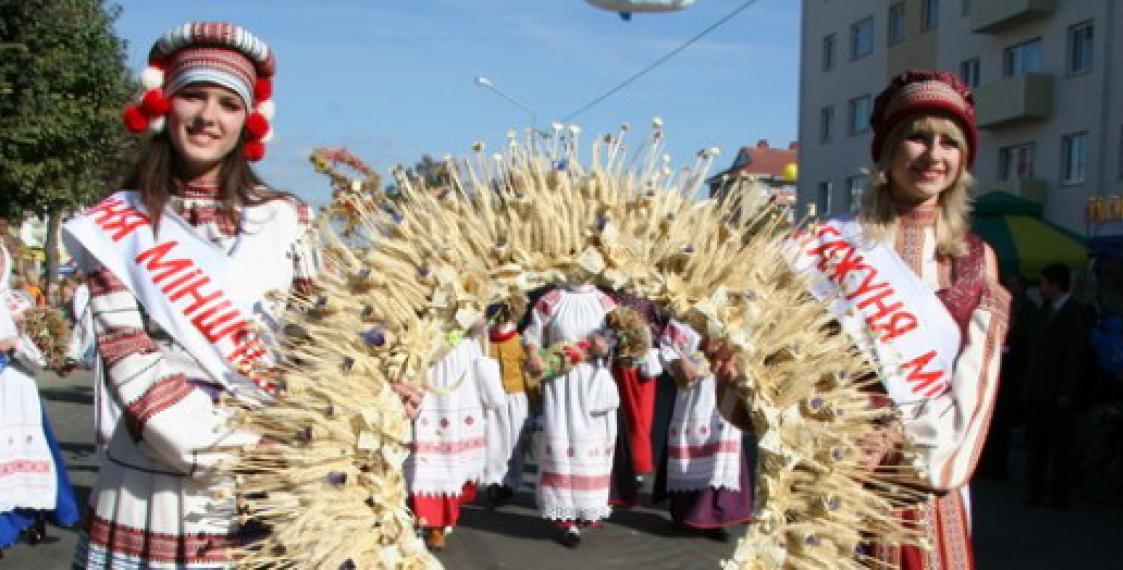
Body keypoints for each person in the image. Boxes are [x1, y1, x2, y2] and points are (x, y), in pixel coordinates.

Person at [62, 22, 320, 568]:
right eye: (193, 96)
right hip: (152, 484)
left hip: (262, 488)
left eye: (228, 103)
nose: (208, 117)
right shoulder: (115, 224)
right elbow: (130, 362)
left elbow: (320, 341)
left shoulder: (288, 219)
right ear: (163, 104)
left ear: (248, 120)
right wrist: (245, 451)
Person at [793, 70, 1010, 568]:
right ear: (887, 150)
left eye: (949, 143)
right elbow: (790, 361)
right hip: (840, 463)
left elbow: (978, 385)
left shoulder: (977, 259)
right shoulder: (830, 248)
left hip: (927, 468)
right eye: (917, 137)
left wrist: (903, 439)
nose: (934, 155)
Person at [524, 282, 621, 548]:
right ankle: (565, 518)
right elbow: (532, 334)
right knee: (563, 443)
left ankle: (588, 507)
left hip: (593, 382)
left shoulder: (606, 302)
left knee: (592, 445)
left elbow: (621, 338)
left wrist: (608, 347)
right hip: (562, 382)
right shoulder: (552, 299)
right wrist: (534, 354)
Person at [0, 241, 79, 557]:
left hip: (16, 392)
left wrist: (16, 343)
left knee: (22, 456)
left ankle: (24, 521)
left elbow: (46, 357)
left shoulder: (18, 302)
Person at [406, 326, 504, 550]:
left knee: (455, 449)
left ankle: (440, 522)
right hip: (428, 352)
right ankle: (430, 520)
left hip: (461, 361)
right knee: (423, 443)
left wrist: (476, 320)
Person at [653, 318, 751, 540]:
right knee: (691, 447)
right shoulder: (686, 317)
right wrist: (679, 364)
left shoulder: (733, 315)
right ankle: (687, 513)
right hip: (693, 396)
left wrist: (730, 357)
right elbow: (667, 348)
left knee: (721, 454)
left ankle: (715, 518)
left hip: (722, 392)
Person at [1023, 263, 1093, 509]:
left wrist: (1067, 391)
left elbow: (1076, 356)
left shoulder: (1076, 313)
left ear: (1055, 284)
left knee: (1060, 446)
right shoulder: (1045, 310)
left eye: (1043, 283)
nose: (1041, 289)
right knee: (1036, 444)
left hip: (1058, 392)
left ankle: (1059, 493)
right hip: (1038, 390)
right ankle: (1035, 490)